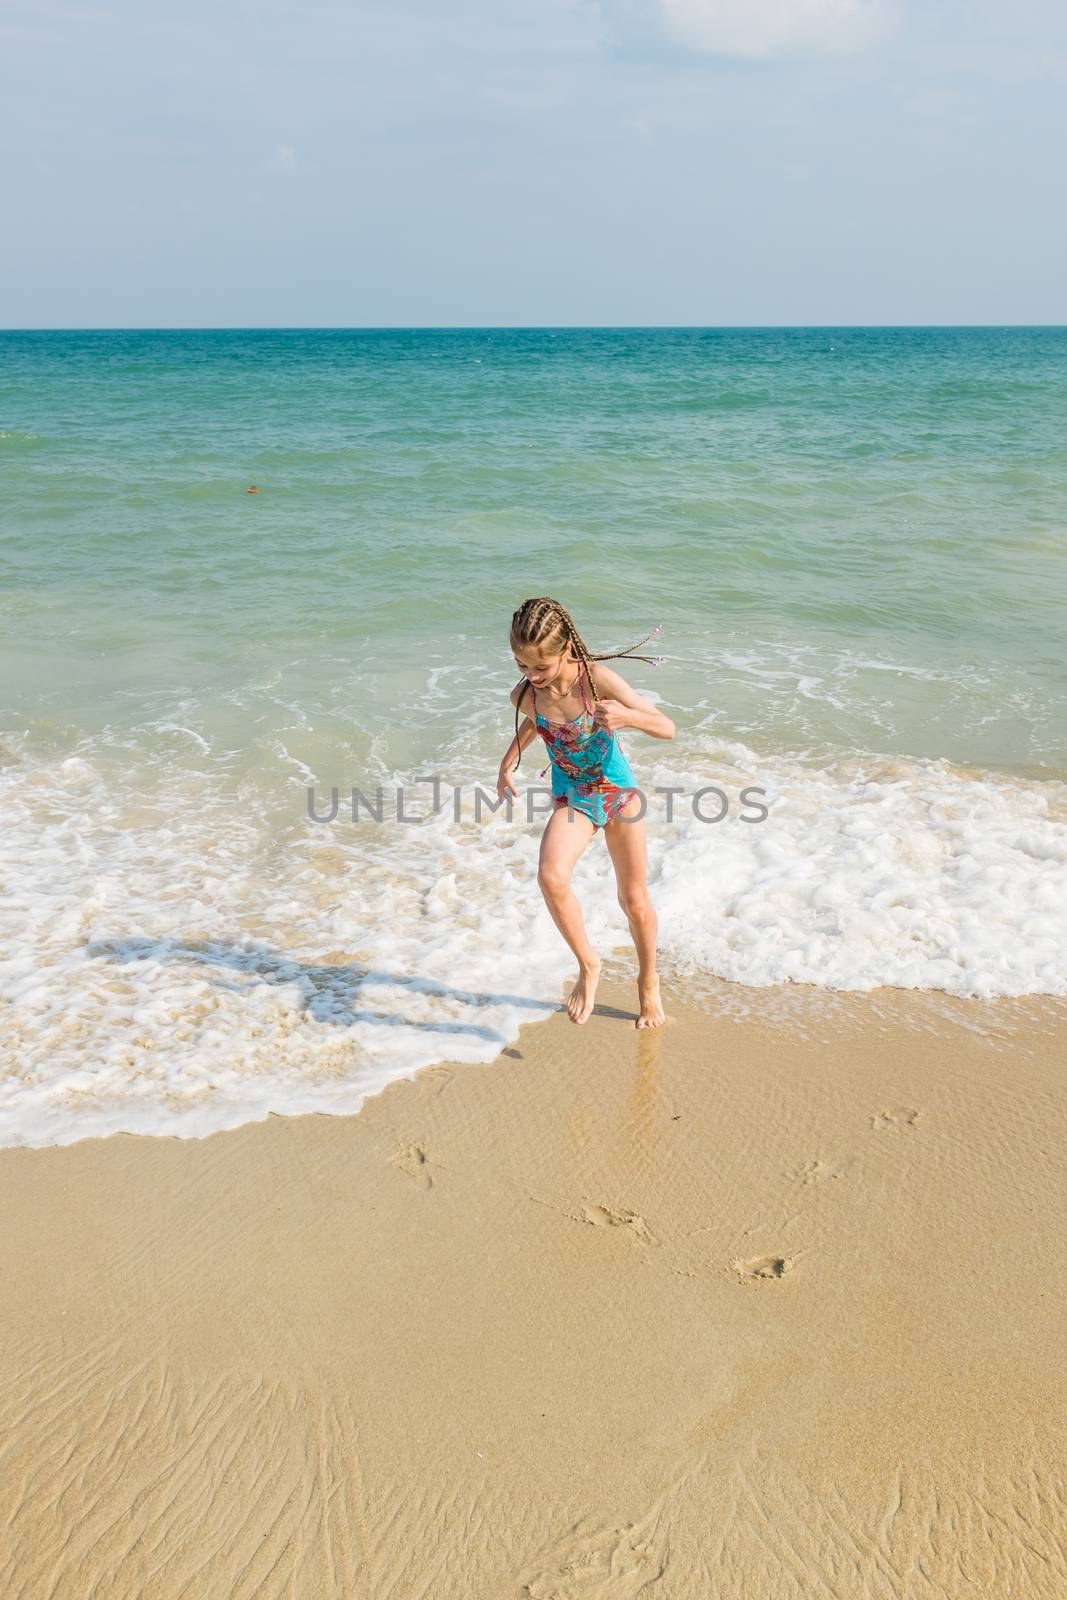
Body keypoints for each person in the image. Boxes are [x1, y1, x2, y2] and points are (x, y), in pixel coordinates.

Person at [497, 596, 675, 1029]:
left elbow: (667, 728)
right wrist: (506, 763)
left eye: (541, 667)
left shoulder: (595, 679)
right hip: (573, 795)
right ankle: (588, 965)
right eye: (522, 666)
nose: (532, 677)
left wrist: (628, 718)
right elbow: (537, 721)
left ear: (567, 650)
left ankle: (648, 981)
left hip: (616, 792)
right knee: (551, 876)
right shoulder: (525, 694)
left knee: (633, 901)